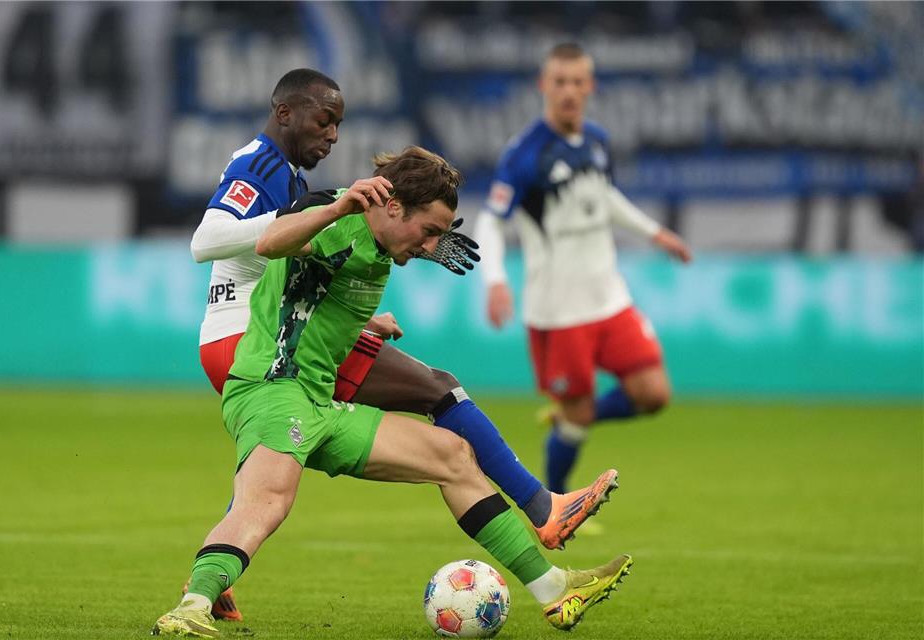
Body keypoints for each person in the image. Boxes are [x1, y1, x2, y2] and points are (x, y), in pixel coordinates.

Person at [188, 69, 619, 622]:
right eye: (325, 120)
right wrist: (316, 212)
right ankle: (544, 507)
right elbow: (210, 240)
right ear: (285, 112)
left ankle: (219, 567)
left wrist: (386, 265)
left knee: (405, 451)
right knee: (433, 391)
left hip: (279, 343)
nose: (334, 135)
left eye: (340, 124)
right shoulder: (266, 167)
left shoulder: (304, 186)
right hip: (244, 337)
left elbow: (316, 274)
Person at [474, 43, 693, 494]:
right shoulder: (525, 154)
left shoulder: (596, 141)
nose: (569, 91)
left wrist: (655, 232)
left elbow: (604, 196)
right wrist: (494, 280)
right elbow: (491, 221)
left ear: (590, 86)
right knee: (577, 420)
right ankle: (558, 501)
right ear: (544, 86)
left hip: (610, 298)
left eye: (577, 81)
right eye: (560, 82)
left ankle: (572, 413)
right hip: (558, 311)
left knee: (654, 394)